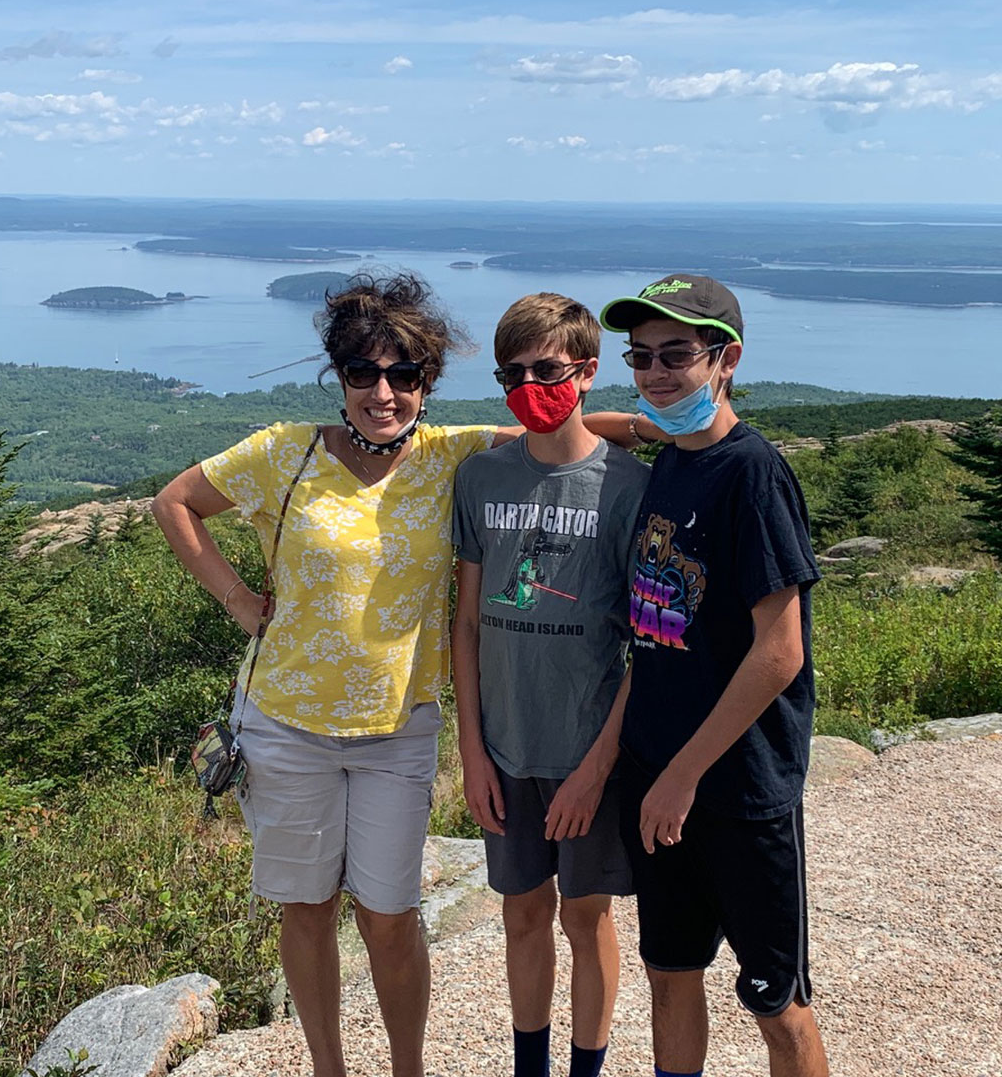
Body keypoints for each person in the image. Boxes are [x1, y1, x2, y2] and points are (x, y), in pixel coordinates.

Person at [151, 272, 653, 1077]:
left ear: (427, 382)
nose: (382, 392)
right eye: (362, 373)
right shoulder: (284, 451)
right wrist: (243, 603)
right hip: (284, 724)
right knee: (307, 911)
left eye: (404, 374)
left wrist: (661, 425)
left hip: (397, 730)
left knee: (391, 916)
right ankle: (328, 1069)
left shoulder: (452, 456)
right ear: (338, 376)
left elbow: (552, 431)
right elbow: (173, 503)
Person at [598, 275, 829, 1077]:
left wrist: (682, 777)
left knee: (776, 1002)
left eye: (677, 356)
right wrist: (520, 434)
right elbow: (613, 423)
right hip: (659, 774)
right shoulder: (669, 455)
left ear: (725, 359)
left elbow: (780, 651)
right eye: (640, 357)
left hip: (734, 789)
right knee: (670, 975)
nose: (657, 373)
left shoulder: (752, 474)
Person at [452, 293, 650, 1077]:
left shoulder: (629, 489)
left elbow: (650, 648)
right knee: (522, 913)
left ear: (588, 371)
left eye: (547, 369)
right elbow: (466, 625)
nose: (529, 384)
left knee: (587, 917)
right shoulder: (479, 479)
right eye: (513, 373)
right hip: (504, 747)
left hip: (586, 750)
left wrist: (598, 767)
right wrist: (470, 753)